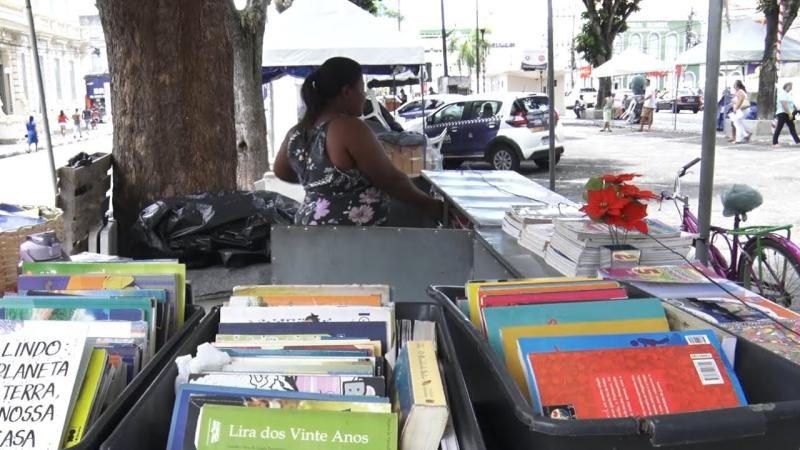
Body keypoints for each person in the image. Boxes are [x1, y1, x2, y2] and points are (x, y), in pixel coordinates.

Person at [273, 57, 442, 226]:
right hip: (350, 238)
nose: (364, 96)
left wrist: (321, 186)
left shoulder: (296, 132)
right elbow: (389, 179)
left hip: (307, 229)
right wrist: (430, 205)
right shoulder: (348, 127)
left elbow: (280, 170)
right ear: (347, 92)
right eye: (362, 89)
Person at [773, 82, 799, 147]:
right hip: (783, 113)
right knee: (779, 127)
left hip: (788, 113)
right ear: (786, 86)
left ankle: (797, 141)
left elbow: (791, 104)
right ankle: (774, 142)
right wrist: (789, 113)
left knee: (792, 128)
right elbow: (784, 104)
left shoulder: (788, 94)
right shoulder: (782, 93)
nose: (791, 88)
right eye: (790, 86)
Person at [730, 80, 751, 144]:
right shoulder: (741, 91)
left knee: (737, 123)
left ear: (737, 86)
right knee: (739, 123)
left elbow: (740, 100)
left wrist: (736, 108)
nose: (734, 87)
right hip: (742, 110)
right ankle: (745, 135)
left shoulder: (740, 92)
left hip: (741, 110)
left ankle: (739, 139)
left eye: (734, 86)